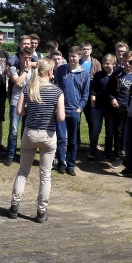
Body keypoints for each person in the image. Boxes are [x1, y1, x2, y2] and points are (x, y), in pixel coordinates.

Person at [8, 59, 65, 224]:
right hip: (48, 135)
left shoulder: (28, 88)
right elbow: (61, 117)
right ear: (49, 72)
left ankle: (14, 206)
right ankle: (41, 211)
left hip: (30, 133)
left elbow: (19, 112)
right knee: (45, 175)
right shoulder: (57, 92)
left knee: (22, 172)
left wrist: (31, 110)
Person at [54, 46, 90, 175]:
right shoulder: (61, 70)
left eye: (74, 56)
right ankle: (61, 163)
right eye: (70, 56)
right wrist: (57, 107)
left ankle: (71, 165)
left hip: (75, 111)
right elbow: (56, 88)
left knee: (73, 140)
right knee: (61, 138)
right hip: (61, 110)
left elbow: (85, 93)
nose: (72, 58)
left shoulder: (84, 73)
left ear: (79, 56)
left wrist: (80, 108)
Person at [5, 47, 33, 167]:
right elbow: (17, 82)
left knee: (26, 131)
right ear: (20, 57)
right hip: (16, 102)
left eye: (29, 58)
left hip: (30, 102)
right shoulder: (13, 68)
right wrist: (26, 71)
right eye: (25, 57)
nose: (27, 60)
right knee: (14, 130)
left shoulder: (35, 69)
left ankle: (23, 154)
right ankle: (10, 155)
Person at [88, 54, 117, 162]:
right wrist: (93, 104)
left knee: (109, 132)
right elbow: (93, 89)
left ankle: (107, 154)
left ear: (113, 64)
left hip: (111, 108)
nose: (105, 65)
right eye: (104, 63)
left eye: (108, 63)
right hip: (98, 106)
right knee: (95, 130)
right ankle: (92, 151)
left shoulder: (116, 75)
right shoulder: (98, 75)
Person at [110, 51, 132, 168]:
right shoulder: (117, 74)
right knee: (118, 132)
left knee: (131, 133)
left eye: (130, 61)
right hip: (119, 107)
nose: (127, 64)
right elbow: (109, 90)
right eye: (125, 61)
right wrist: (112, 98)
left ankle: (130, 156)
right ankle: (118, 155)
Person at [80, 42, 102, 146]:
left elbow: (100, 79)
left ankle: (93, 143)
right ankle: (77, 143)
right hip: (78, 95)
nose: (86, 51)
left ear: (91, 50)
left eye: (88, 49)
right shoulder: (77, 61)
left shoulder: (96, 63)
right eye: (84, 49)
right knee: (76, 121)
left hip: (90, 95)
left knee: (91, 121)